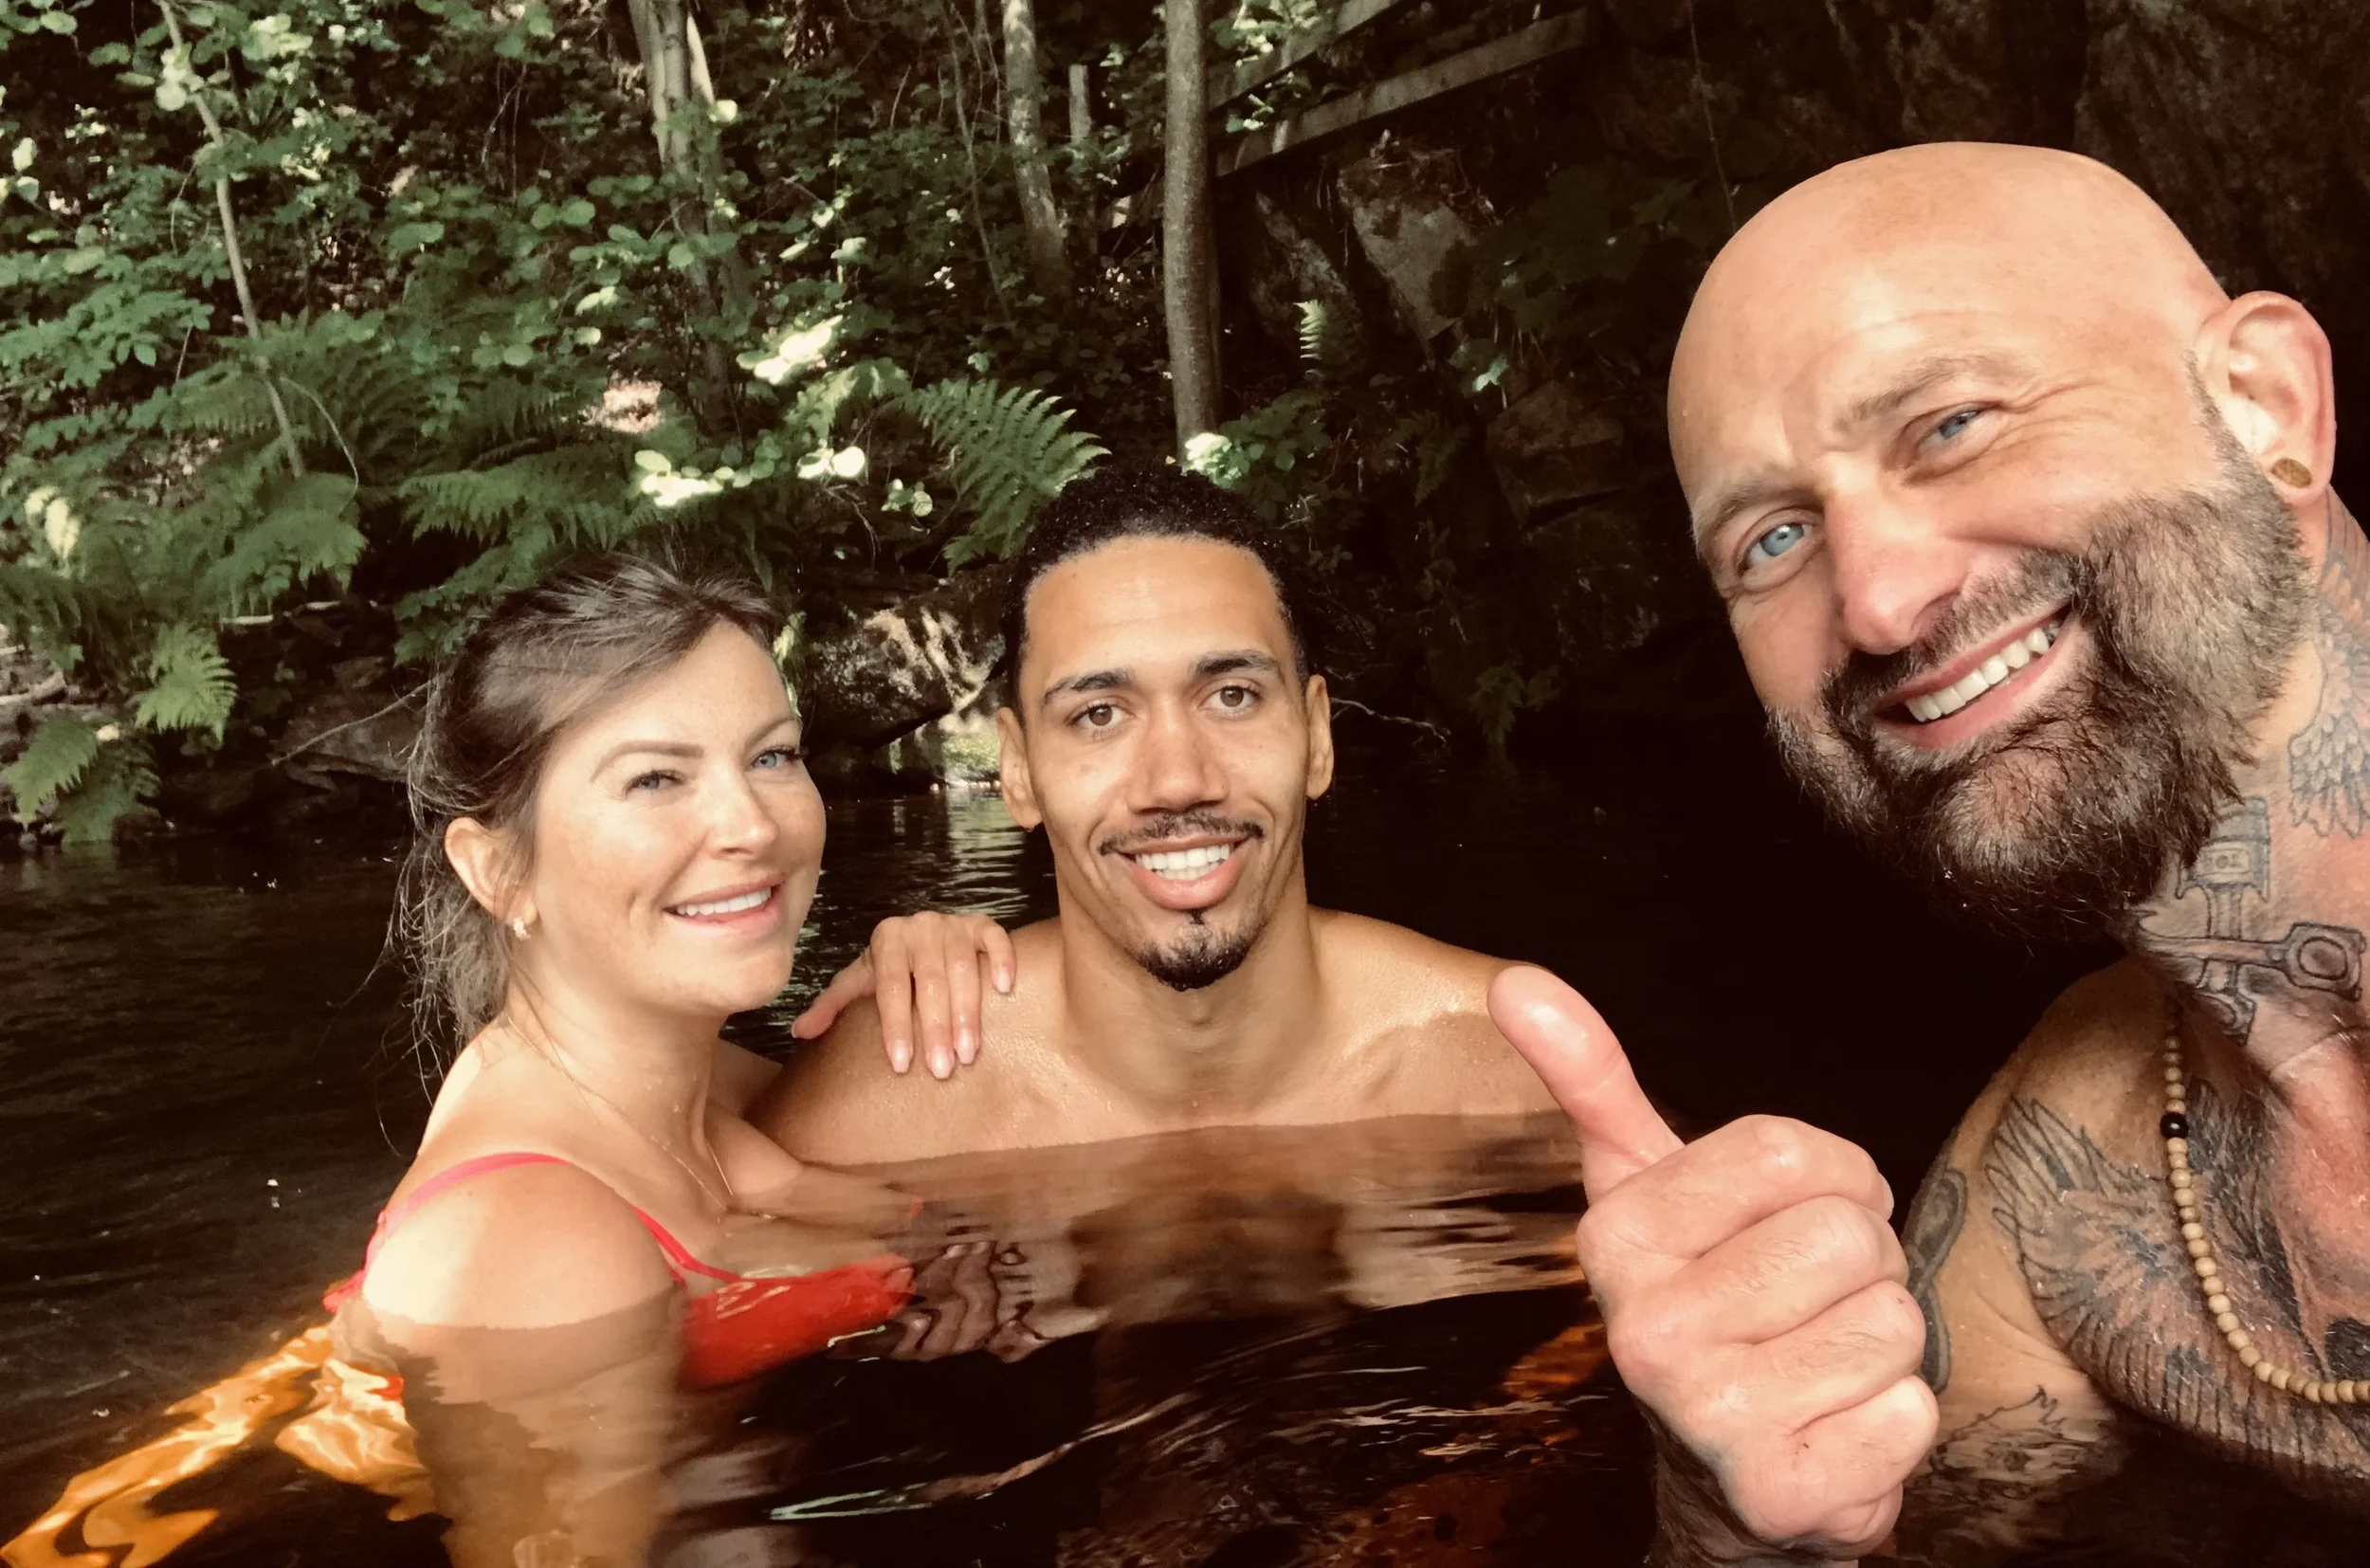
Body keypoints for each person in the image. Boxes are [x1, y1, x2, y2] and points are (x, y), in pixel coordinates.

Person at [1491, 143, 2370, 1563]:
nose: (1883, 600)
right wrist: (1734, 1523)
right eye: (1773, 538)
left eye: (1953, 424)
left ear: (2267, 408)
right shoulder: (2058, 1193)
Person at [331, 552, 1008, 1566]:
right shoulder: (528, 1236)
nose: (750, 824)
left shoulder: (710, 1086)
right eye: (655, 778)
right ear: (498, 869)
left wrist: (938, 970)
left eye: (773, 757)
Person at [752, 466, 1559, 1164]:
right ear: (1020, 771)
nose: (1178, 781)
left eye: (1232, 696)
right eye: (1099, 714)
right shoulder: (870, 1114)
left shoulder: (1515, 1058)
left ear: (1316, 736)